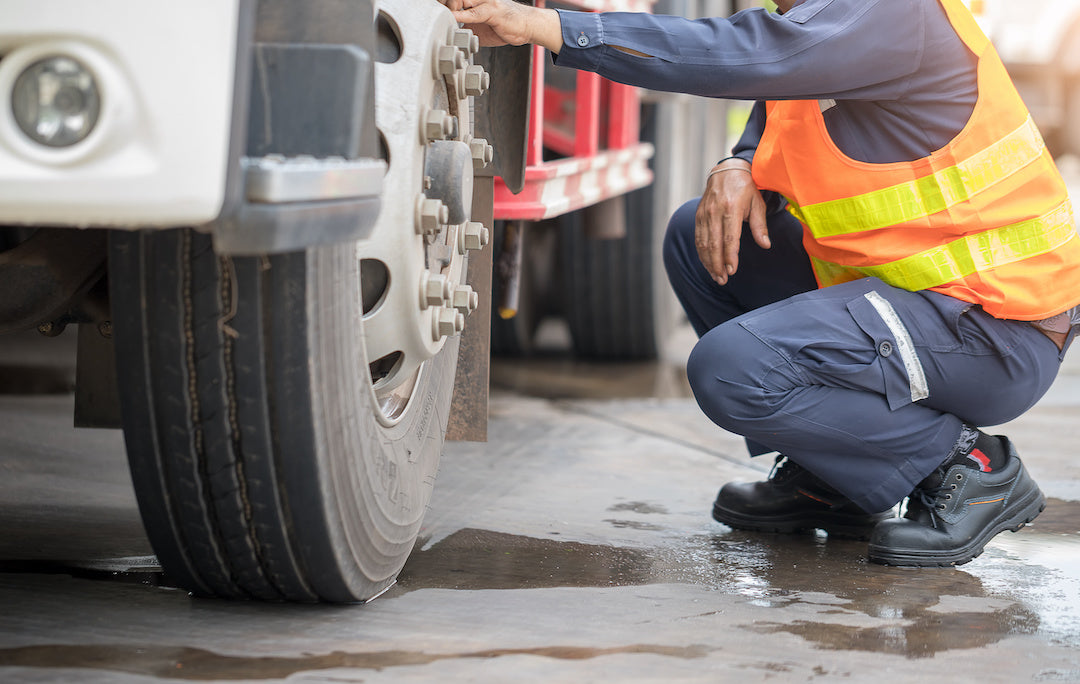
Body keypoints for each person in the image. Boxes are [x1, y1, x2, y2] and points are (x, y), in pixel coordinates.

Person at [440, 0, 1080, 566]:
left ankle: (969, 467)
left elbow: (753, 55)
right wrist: (737, 161)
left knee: (732, 370)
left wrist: (551, 27)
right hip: (921, 305)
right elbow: (781, 98)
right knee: (702, 235)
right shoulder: (821, 21)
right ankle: (833, 478)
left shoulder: (888, 12)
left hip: (995, 327)